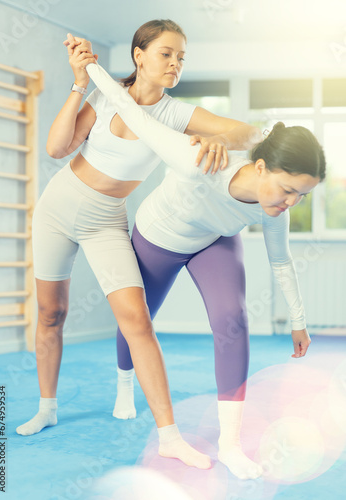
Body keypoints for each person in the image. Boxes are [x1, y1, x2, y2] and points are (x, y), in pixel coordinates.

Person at [16, 20, 262, 471]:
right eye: (167, 53)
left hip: (106, 220)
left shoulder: (175, 114)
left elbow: (249, 133)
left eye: (181, 57)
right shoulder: (104, 96)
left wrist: (214, 139)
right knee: (51, 313)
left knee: (138, 320)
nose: (175, 64)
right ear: (139, 55)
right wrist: (77, 83)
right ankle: (47, 408)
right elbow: (56, 148)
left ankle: (169, 437)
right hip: (56, 209)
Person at [81, 61, 325, 479]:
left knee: (233, 320)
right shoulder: (200, 160)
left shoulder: (274, 210)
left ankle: (230, 445)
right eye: (288, 190)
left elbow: (281, 261)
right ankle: (125, 384)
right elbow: (133, 111)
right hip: (161, 236)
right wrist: (89, 65)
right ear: (262, 167)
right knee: (136, 322)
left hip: (214, 241)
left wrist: (298, 322)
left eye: (301, 195)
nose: (291, 203)